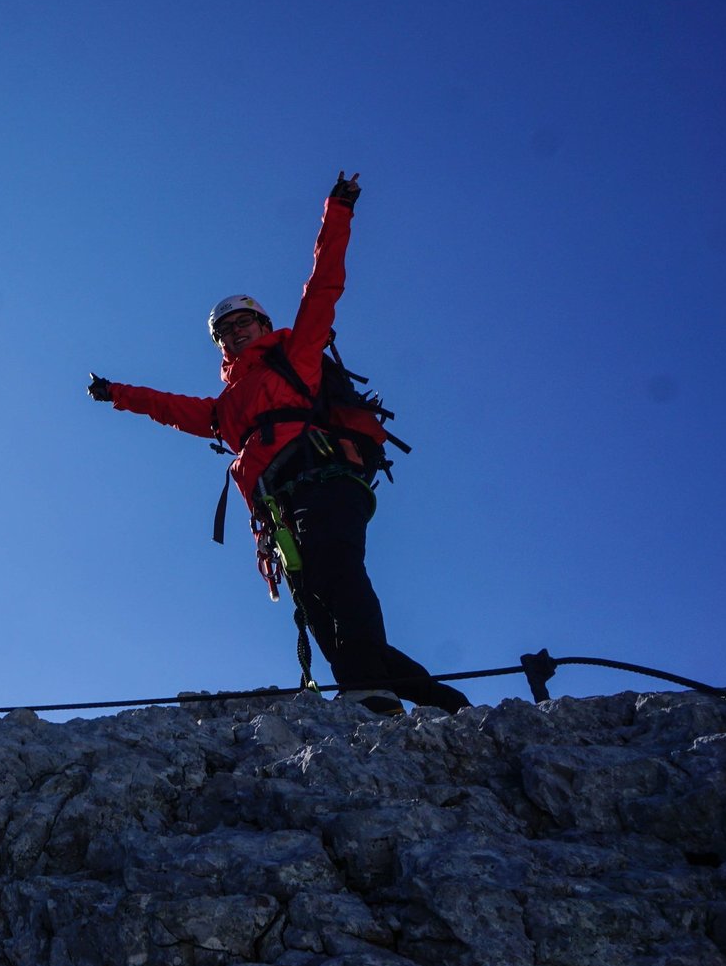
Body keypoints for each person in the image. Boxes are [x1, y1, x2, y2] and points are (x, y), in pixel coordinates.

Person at [87, 173, 470, 715]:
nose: (234, 334)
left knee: (338, 574)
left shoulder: (297, 355)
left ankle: (369, 691)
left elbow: (324, 285)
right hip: (279, 509)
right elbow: (168, 407)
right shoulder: (225, 410)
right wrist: (116, 394)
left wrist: (337, 211)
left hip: (324, 477)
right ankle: (431, 699)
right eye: (225, 331)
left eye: (243, 323)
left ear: (263, 323)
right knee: (317, 607)